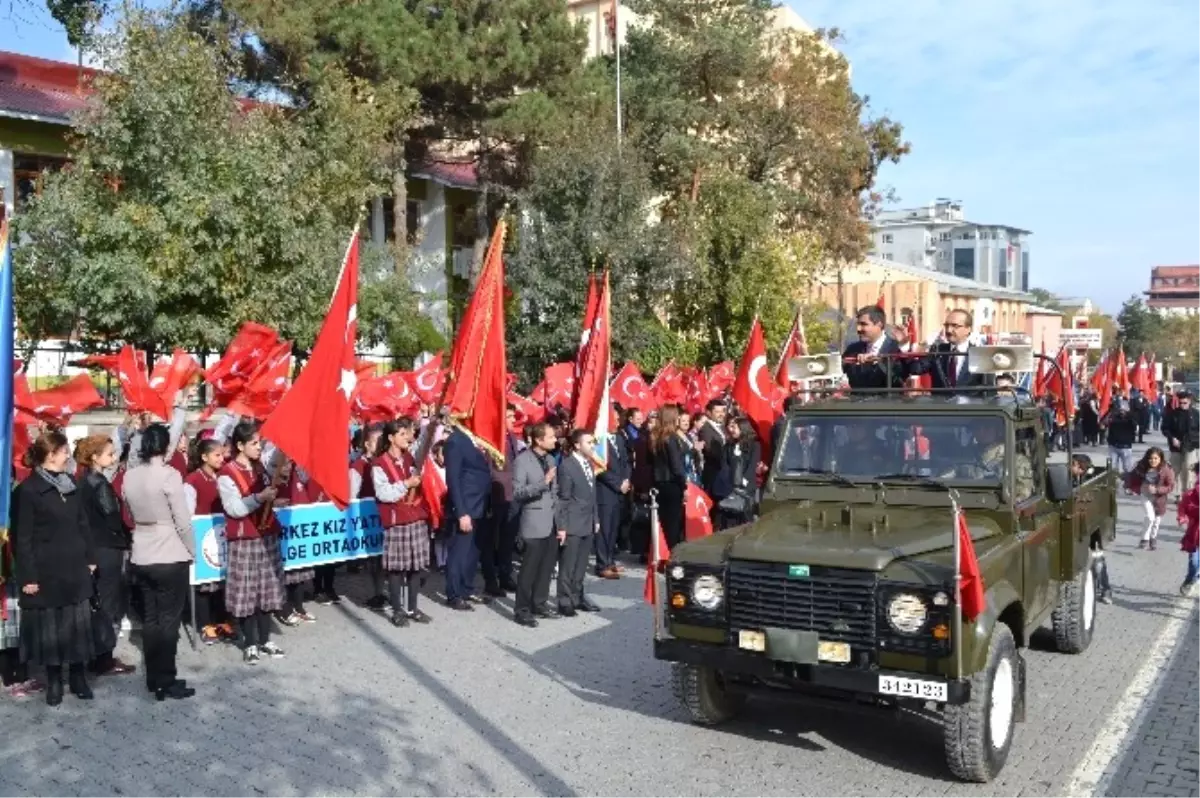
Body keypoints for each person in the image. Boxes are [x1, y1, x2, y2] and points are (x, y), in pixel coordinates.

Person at [13, 431, 98, 706]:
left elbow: (83, 523)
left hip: (75, 567)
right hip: (47, 571)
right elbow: (21, 538)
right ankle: (53, 681)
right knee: (51, 628)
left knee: (77, 625)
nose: (68, 457)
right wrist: (28, 576)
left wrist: (90, 556)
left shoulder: (70, 484)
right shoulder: (28, 490)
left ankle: (77, 675)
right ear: (51, 455)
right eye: (64, 452)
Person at [120, 424, 197, 701]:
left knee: (152, 618)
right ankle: (166, 678)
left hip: (142, 548)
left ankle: (155, 677)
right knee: (168, 620)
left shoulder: (129, 476)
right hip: (169, 551)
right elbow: (183, 520)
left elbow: (128, 510)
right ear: (165, 447)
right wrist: (192, 550)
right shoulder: (169, 475)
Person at [218, 421, 286, 664]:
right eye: (254, 443)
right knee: (247, 593)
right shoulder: (227, 473)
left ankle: (266, 638)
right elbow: (234, 508)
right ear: (239, 445)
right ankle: (250, 642)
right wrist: (258, 498)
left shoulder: (261, 469)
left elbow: (266, 497)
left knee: (267, 590)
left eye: (260, 442)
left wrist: (273, 502)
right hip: (245, 538)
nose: (259, 447)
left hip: (266, 535)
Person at [72, 435, 137, 677]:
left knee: (97, 601)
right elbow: (111, 516)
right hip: (107, 547)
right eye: (109, 453)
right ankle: (104, 659)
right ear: (94, 457)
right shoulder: (98, 483)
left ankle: (96, 654)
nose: (113, 457)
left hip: (92, 547)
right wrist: (125, 534)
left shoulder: (81, 481)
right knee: (108, 602)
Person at [371, 419, 433, 627]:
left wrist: (435, 422)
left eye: (408, 434)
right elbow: (383, 493)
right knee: (397, 569)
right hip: (396, 520)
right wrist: (406, 484)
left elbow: (424, 442)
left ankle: (412, 607)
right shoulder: (379, 464)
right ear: (391, 438)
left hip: (415, 517)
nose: (408, 437)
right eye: (402, 434)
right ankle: (398, 610)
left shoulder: (410, 456)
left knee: (416, 567)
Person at [184, 438, 236, 646]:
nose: (221, 459)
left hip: (222, 534)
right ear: (204, 457)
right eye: (216, 455)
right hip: (203, 536)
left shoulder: (224, 477)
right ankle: (205, 624)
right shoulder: (192, 481)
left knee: (222, 580)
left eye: (222, 455)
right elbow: (188, 513)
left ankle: (222, 620)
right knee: (204, 583)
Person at [511, 423, 560, 627]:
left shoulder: (549, 459)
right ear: (538, 440)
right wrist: (543, 483)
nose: (555, 440)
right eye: (551, 437)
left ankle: (539, 603)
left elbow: (555, 492)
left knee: (546, 567)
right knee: (529, 569)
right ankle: (521, 609)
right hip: (533, 522)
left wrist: (560, 522)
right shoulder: (522, 461)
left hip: (551, 522)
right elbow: (517, 492)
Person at [443, 426, 493, 611]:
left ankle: (466, 588)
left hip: (480, 505)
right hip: (466, 507)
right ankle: (454, 593)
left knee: (473, 552)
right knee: (459, 552)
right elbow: (453, 479)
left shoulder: (476, 438)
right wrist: (461, 511)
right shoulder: (456, 441)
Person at [555, 430, 600, 617]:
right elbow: (563, 499)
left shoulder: (589, 464)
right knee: (568, 564)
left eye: (592, 442)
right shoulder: (567, 466)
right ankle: (564, 600)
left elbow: (592, 495)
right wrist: (562, 526)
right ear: (577, 445)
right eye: (588, 442)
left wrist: (596, 518)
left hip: (588, 521)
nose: (592, 445)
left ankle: (578, 596)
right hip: (573, 522)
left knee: (581, 563)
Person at [480, 407, 523, 597]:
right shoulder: (490, 440)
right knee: (490, 540)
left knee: (507, 538)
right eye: (509, 416)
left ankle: (505, 575)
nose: (513, 419)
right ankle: (490, 579)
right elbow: (487, 469)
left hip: (512, 494)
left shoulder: (512, 438)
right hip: (495, 494)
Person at [911, 309, 985, 393]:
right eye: (946, 325)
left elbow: (989, 390)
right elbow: (915, 369)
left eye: (955, 326)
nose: (948, 330)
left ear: (968, 329)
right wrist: (904, 345)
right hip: (941, 405)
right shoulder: (937, 351)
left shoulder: (980, 355)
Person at [594, 419, 631, 580]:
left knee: (614, 527)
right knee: (605, 529)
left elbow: (626, 462)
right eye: (613, 417)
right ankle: (602, 564)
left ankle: (610, 560)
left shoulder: (619, 438)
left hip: (620, 489)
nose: (616, 421)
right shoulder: (599, 439)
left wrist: (626, 480)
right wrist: (617, 483)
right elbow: (598, 467)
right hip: (605, 491)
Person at [650, 405, 689, 550]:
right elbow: (676, 466)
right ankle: (671, 554)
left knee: (663, 521)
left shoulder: (655, 436)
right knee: (673, 523)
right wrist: (684, 485)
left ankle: (661, 553)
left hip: (659, 483)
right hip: (672, 484)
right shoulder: (671, 438)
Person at [842, 305, 906, 390]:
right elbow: (841, 372)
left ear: (879, 324)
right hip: (857, 402)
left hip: (888, 401)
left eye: (863, 324)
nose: (858, 329)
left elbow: (899, 377)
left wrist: (876, 361)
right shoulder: (852, 349)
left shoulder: (895, 349)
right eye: (858, 324)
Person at [1125, 447, 1174, 551]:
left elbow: (1170, 486)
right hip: (1145, 495)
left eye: (1156, 458)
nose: (1153, 461)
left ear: (1160, 459)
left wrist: (1157, 490)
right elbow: (1131, 476)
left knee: (1156, 521)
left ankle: (1153, 538)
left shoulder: (1166, 469)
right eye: (1151, 458)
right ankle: (1144, 539)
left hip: (1159, 498)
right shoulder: (1141, 466)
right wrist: (1128, 486)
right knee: (1150, 516)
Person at [1162, 390, 1200, 499]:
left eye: (1185, 403)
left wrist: (1194, 439)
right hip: (1176, 447)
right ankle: (1177, 494)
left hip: (1191, 447)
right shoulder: (1172, 414)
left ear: (1189, 402)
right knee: (1174, 471)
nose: (1183, 405)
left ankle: (1187, 494)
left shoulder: (1196, 414)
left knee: (1188, 470)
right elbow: (1165, 428)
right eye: (1181, 403)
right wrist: (1172, 438)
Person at [1176, 462, 1200, 595]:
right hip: (1194, 534)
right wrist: (1182, 518)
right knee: (1194, 562)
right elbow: (1182, 508)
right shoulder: (1190, 494)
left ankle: (1194, 578)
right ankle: (1189, 580)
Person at [1102, 398, 1137, 476]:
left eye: (1124, 409)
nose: (1122, 411)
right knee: (1112, 468)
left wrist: (1128, 415)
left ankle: (1128, 485)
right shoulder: (1113, 416)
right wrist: (1110, 411)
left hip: (1125, 447)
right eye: (1120, 409)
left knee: (1127, 468)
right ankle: (1113, 483)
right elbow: (1103, 423)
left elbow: (1135, 425)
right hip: (1113, 446)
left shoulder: (1130, 417)